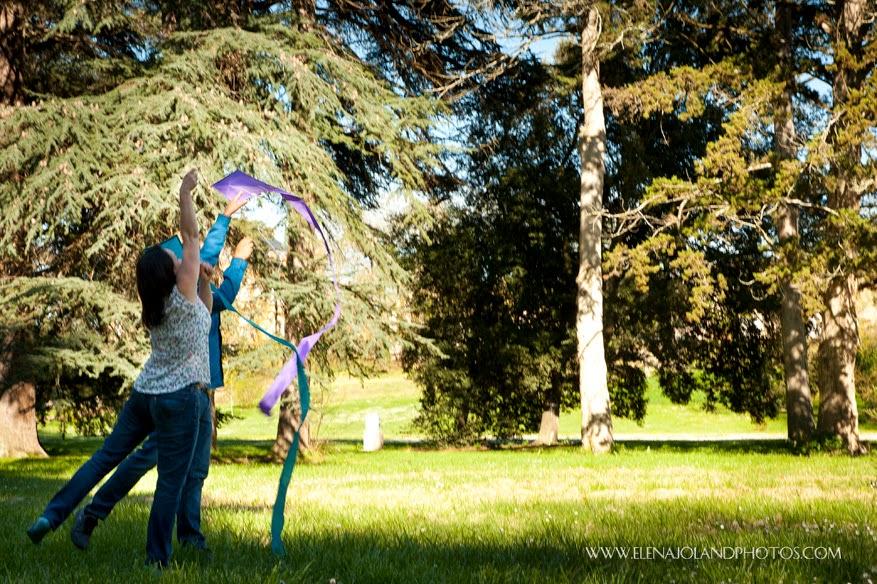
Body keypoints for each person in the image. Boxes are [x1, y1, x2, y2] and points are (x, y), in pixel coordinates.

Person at [27, 169, 215, 568]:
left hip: (145, 395)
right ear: (173, 274)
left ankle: (52, 514)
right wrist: (184, 193)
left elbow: (205, 312)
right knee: (170, 484)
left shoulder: (159, 304)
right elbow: (192, 237)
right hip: (180, 399)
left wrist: (204, 280)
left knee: (103, 458)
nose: (181, 256)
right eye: (175, 259)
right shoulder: (180, 294)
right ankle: (156, 561)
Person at [69, 235, 254, 552]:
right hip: (176, 394)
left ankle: (191, 537)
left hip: (198, 391)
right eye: (181, 257)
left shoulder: (185, 276)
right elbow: (219, 295)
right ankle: (93, 515)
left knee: (196, 469)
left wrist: (225, 217)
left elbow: (204, 265)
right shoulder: (178, 287)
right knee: (146, 460)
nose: (188, 259)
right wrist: (238, 260)